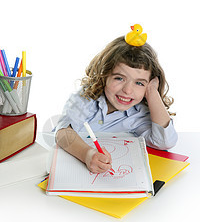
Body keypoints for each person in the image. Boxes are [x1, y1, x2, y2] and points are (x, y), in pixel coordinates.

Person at [55, 25, 178, 174]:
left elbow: (165, 142)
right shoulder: (86, 98)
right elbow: (62, 134)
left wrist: (152, 93)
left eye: (139, 83)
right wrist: (88, 155)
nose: (127, 90)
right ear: (104, 75)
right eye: (119, 78)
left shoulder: (138, 114)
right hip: (69, 168)